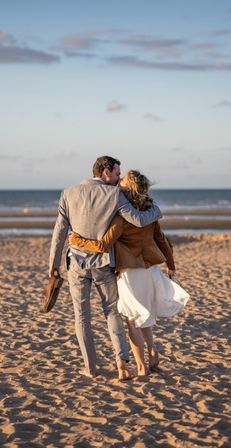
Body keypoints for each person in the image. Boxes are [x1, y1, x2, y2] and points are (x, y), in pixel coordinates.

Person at [48, 156, 163, 380]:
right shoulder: (114, 195)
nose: (119, 178)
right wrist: (157, 212)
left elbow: (59, 231)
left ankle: (90, 369)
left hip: (77, 263)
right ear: (105, 172)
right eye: (117, 173)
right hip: (103, 263)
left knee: (81, 317)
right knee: (112, 313)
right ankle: (121, 364)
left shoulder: (68, 193)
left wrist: (53, 265)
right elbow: (139, 220)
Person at [69, 170, 190, 376]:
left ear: (128, 188)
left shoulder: (121, 218)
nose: (119, 181)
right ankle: (152, 352)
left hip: (130, 273)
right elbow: (162, 240)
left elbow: (103, 245)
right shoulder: (149, 212)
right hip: (150, 269)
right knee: (145, 315)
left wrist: (76, 240)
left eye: (123, 180)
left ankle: (142, 367)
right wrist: (171, 265)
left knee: (132, 320)